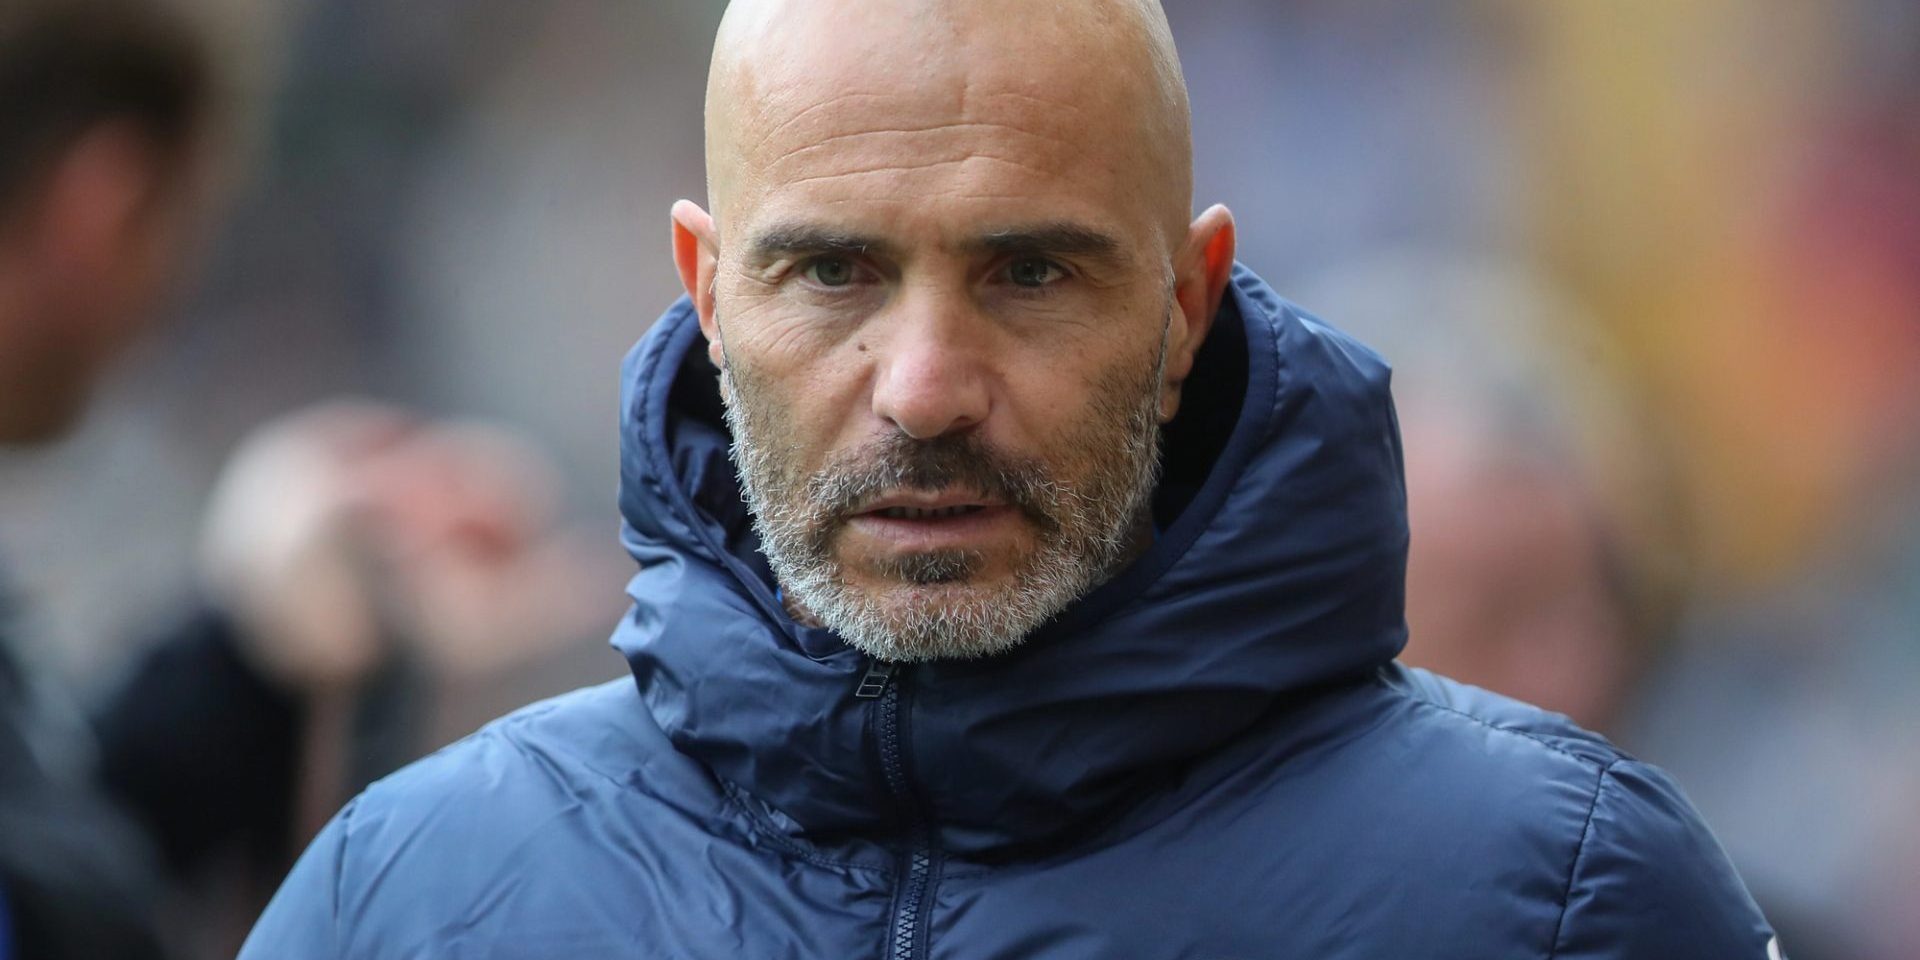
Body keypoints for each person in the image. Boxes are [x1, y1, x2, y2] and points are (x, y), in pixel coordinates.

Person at [243, 0, 1780, 956]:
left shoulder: (1567, 906)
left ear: (1188, 304)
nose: (924, 388)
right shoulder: (409, 900)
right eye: (834, 272)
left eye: (1029, 272)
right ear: (709, 297)